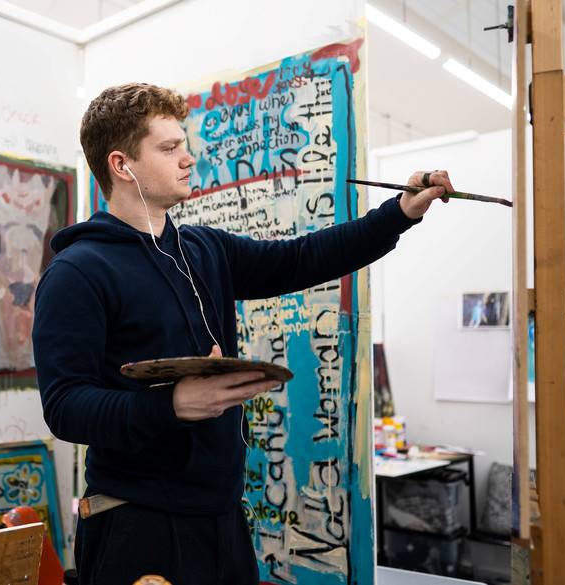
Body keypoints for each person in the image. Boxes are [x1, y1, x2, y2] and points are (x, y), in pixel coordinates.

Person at [32, 83, 453, 584]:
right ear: (122, 166)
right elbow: (64, 406)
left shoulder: (202, 250)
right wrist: (172, 404)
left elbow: (300, 259)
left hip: (222, 520)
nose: (188, 159)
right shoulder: (78, 272)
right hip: (136, 524)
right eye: (169, 148)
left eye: (184, 144)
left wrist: (399, 213)